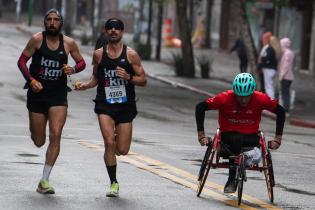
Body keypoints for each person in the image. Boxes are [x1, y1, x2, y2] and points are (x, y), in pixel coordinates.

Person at [75, 18, 147, 197]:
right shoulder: (99, 54)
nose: (113, 31)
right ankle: (113, 182)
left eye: (117, 28)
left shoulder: (131, 54)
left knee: (122, 150)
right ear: (106, 32)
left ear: (122, 32)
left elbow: (143, 80)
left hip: (125, 105)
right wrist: (85, 85)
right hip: (104, 103)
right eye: (110, 28)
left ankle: (115, 146)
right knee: (108, 142)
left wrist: (128, 77)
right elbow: (95, 79)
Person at [17, 9, 86, 194]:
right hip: (37, 94)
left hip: (58, 94)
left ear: (61, 23)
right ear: (45, 22)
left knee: (56, 134)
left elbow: (82, 63)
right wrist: (31, 80)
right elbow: (22, 61)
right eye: (49, 20)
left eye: (56, 20)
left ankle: (44, 181)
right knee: (39, 141)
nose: (52, 23)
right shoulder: (37, 40)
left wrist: (73, 69)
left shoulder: (69, 43)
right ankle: (35, 132)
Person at [195, 73, 285, 193]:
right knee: (236, 138)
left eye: (246, 96)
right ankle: (232, 178)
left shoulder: (260, 98)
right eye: (239, 96)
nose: (243, 100)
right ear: (234, 93)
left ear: (252, 93)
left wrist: (277, 139)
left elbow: (281, 111)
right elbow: (200, 107)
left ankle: (245, 160)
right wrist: (201, 135)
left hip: (250, 137)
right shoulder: (224, 98)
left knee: (249, 143)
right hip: (227, 137)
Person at [279, 38, 295, 114]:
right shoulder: (290, 52)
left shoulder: (286, 53)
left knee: (285, 93)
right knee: (287, 93)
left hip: (286, 77)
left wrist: (281, 76)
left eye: (281, 43)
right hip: (290, 77)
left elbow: (285, 66)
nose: (280, 45)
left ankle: (286, 109)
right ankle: (286, 108)